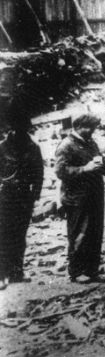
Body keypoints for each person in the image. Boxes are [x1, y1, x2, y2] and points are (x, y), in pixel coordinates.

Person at [55, 111, 105, 283]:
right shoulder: (66, 145)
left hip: (95, 195)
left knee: (95, 233)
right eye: (90, 128)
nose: (93, 131)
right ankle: (77, 271)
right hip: (77, 198)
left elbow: (101, 163)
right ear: (79, 127)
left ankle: (92, 270)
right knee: (79, 234)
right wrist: (84, 169)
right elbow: (60, 171)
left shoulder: (90, 143)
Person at [0, 106, 43, 288]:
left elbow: (39, 174)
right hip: (5, 197)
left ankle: (17, 272)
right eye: (16, 127)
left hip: (24, 198)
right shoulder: (2, 148)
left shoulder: (33, 148)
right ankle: (2, 275)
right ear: (11, 127)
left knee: (20, 236)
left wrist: (35, 195)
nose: (19, 131)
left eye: (23, 127)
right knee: (3, 235)